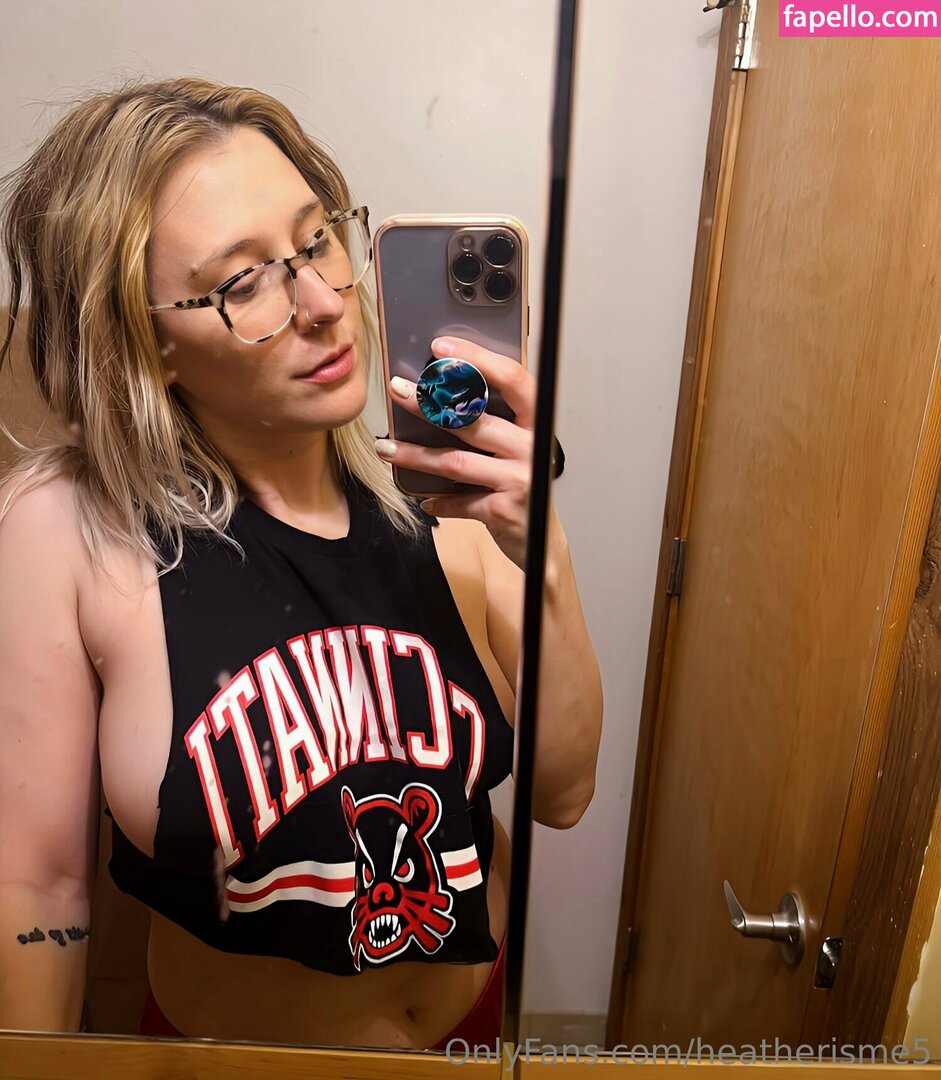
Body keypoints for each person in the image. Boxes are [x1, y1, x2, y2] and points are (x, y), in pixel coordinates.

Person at [0, 77, 603, 1049]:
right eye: (243, 283)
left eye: (317, 240)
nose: (326, 303)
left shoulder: (447, 500)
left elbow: (561, 795)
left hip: (465, 1037)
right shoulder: (70, 528)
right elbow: (37, 884)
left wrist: (544, 562)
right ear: (142, 340)